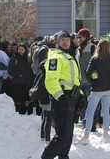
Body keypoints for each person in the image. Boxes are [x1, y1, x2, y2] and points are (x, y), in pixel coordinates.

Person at [41, 30, 81, 159]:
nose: (66, 42)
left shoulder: (69, 56)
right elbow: (51, 80)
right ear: (57, 42)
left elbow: (74, 80)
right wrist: (61, 97)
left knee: (68, 134)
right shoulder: (56, 57)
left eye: (68, 40)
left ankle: (64, 156)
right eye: (62, 40)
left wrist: (80, 95)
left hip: (72, 98)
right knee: (62, 135)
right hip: (62, 99)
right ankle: (46, 156)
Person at [82, 39, 110, 142]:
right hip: (108, 89)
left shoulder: (94, 59)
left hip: (96, 88)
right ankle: (105, 135)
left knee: (90, 112)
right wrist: (109, 81)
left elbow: (88, 73)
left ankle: (86, 136)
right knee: (106, 112)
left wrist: (93, 80)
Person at [7, 43, 33, 115]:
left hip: (26, 84)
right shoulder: (14, 59)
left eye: (22, 49)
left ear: (25, 50)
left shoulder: (27, 59)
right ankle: (18, 115)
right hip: (17, 84)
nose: (20, 51)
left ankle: (24, 116)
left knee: (26, 101)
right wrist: (20, 75)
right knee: (18, 101)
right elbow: (10, 71)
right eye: (19, 49)